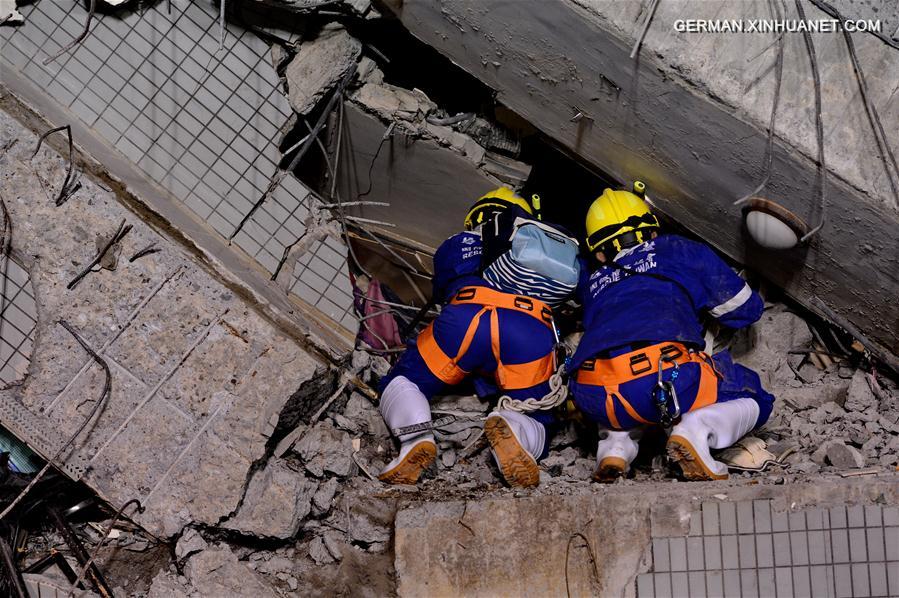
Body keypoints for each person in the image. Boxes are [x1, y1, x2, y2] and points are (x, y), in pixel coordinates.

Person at [569, 185, 775, 481]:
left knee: (622, 381)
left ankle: (614, 447)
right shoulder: (678, 249)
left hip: (593, 392)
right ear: (654, 232)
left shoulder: (591, 281)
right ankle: (696, 430)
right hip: (663, 377)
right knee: (753, 394)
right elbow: (745, 310)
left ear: (599, 254)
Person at [378, 187, 579, 488]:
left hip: (465, 317)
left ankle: (414, 438)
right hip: (529, 328)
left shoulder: (455, 245)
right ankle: (513, 427)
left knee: (405, 380)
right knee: (538, 415)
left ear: (476, 218)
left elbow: (443, 292)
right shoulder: (543, 252)